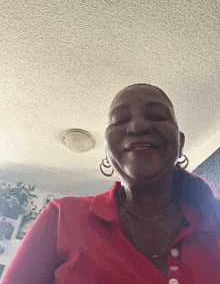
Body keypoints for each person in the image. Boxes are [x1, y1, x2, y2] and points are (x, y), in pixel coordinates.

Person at [1, 83, 220, 284]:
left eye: (157, 115)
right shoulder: (61, 216)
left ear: (180, 144)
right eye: (120, 120)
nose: (138, 126)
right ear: (107, 152)